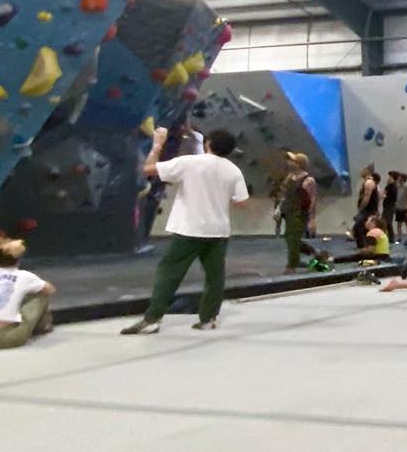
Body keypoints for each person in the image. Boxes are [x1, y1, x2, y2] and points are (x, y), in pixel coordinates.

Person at [121, 127, 250, 334]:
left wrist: (157, 144)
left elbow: (148, 169)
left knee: (169, 273)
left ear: (208, 143)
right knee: (215, 277)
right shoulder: (233, 170)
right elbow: (242, 202)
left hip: (189, 228)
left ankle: (153, 319)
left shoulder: (189, 163)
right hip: (218, 231)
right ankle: (208, 319)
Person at [278, 152, 319, 272]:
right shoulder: (289, 178)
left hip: (300, 213)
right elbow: (285, 196)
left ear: (299, 164)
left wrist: (312, 219)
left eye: (293, 161)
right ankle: (313, 251)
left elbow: (313, 199)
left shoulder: (308, 180)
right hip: (288, 212)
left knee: (293, 238)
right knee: (289, 237)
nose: (289, 162)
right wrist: (278, 209)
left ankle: (291, 265)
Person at [393, 173, 407, 237]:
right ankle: (399, 238)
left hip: (404, 208)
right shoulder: (398, 186)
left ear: (402, 178)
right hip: (398, 208)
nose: (398, 179)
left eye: (399, 177)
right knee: (399, 224)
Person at [381, 171, 400, 236]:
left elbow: (386, 195)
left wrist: (384, 196)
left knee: (385, 221)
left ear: (392, 177)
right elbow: (384, 193)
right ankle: (391, 237)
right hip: (387, 205)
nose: (388, 178)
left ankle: (390, 237)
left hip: (390, 206)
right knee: (387, 222)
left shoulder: (394, 186)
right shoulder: (389, 185)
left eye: (389, 176)